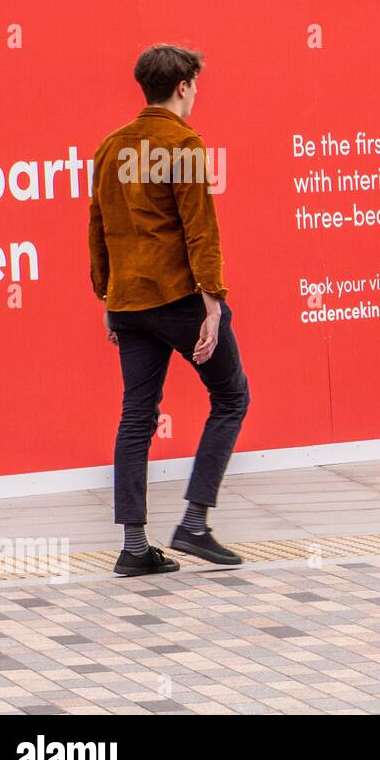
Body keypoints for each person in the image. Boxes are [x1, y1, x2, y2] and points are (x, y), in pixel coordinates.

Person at [89, 44, 249, 577]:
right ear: (183, 86)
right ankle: (194, 525)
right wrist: (213, 303)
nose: (197, 93)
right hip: (178, 297)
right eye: (196, 85)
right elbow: (200, 229)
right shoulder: (183, 143)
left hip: (129, 302)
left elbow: (99, 227)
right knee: (231, 397)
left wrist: (106, 300)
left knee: (136, 415)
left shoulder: (111, 147)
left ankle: (135, 548)